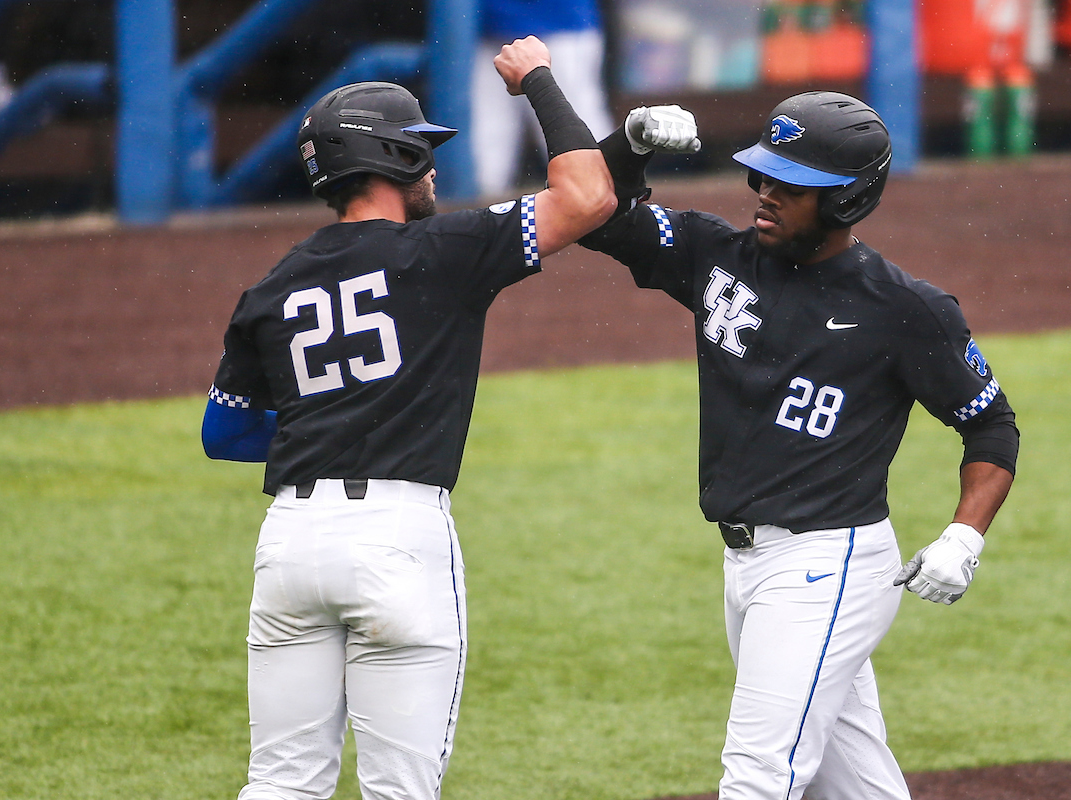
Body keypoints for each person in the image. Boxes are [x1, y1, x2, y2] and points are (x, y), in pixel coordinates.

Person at [201, 36, 617, 800]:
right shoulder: (445, 249)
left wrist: (327, 429)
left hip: (289, 546)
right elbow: (589, 197)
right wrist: (539, 82)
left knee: (280, 785)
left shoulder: (271, 286)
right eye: (419, 152)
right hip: (398, 541)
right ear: (390, 158)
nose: (431, 168)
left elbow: (222, 433)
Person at [579, 93, 1019, 799]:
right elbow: (596, 209)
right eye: (762, 177)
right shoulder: (715, 256)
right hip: (746, 565)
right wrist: (630, 143)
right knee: (853, 786)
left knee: (757, 776)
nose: (766, 195)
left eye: (793, 186)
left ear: (847, 199)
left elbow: (991, 423)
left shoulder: (905, 310)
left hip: (827, 567)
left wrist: (964, 537)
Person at [471, 0, 613, 197]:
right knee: (487, 144)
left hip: (558, 25)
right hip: (485, 29)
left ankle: (606, 210)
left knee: (572, 130)